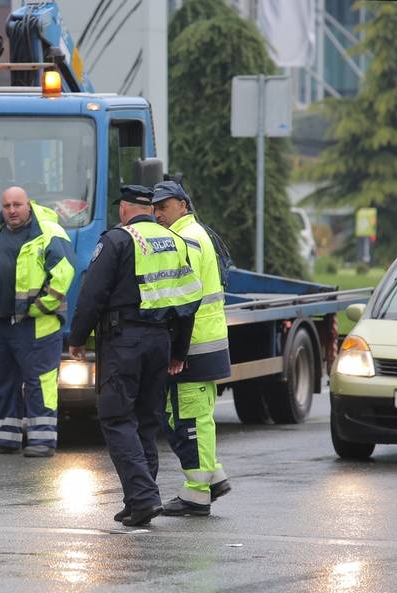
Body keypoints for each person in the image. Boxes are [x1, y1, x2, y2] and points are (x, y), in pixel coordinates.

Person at [68, 185, 202, 526]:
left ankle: (143, 497)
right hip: (160, 342)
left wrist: (78, 337)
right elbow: (187, 302)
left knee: (116, 417)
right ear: (152, 209)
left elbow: (93, 294)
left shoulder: (116, 240)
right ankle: (138, 500)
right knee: (145, 420)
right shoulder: (174, 241)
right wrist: (179, 350)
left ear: (124, 209)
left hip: (123, 341)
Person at [0, 186, 75, 458]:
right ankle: (5, 437)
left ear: (29, 204)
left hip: (35, 323)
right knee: (2, 379)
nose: (12, 210)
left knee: (39, 381)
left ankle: (42, 440)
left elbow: (63, 274)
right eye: (7, 205)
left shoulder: (49, 233)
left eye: (17, 205)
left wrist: (40, 307)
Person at [151, 180, 232, 516]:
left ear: (183, 205)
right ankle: (213, 478)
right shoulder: (197, 234)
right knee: (196, 417)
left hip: (194, 344)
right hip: (204, 342)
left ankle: (197, 494)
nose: (158, 214)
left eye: (164, 207)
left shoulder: (186, 240)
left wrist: (175, 349)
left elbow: (183, 298)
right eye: (155, 208)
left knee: (186, 419)